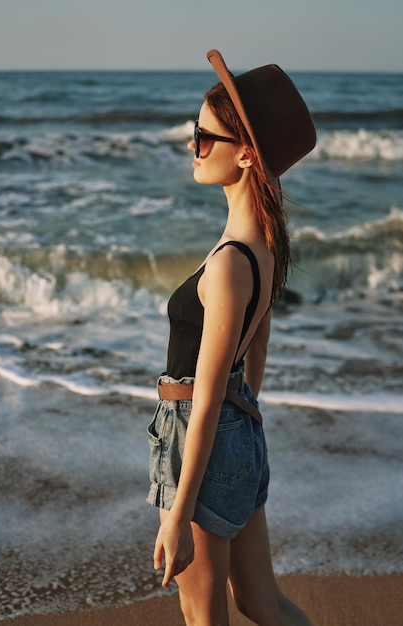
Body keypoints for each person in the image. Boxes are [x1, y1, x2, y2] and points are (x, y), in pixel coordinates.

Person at [146, 49, 316, 626]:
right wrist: (242, 432)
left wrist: (180, 509)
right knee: (260, 601)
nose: (192, 146)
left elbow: (209, 394)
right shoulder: (263, 246)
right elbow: (256, 352)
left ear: (245, 154)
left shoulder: (227, 265)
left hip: (202, 435)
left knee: (203, 616)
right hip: (240, 432)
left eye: (202, 137)